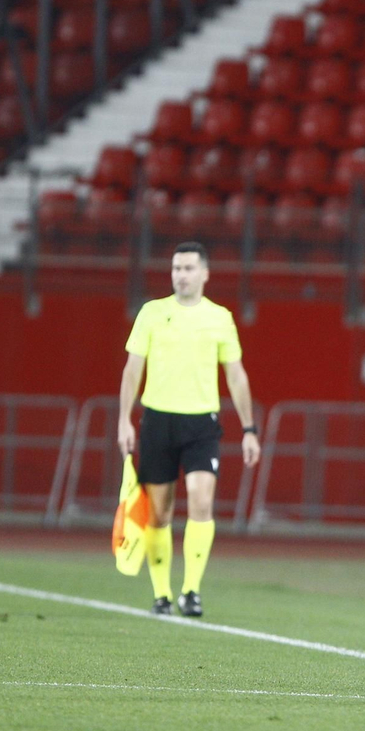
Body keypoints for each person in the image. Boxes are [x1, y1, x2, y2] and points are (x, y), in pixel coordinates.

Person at [117, 242, 260, 617]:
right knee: (159, 514)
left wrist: (250, 428)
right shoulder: (152, 312)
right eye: (176, 268)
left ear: (205, 273)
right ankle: (162, 594)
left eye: (188, 268)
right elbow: (133, 369)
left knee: (201, 501)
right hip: (157, 421)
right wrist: (123, 419)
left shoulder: (220, 318)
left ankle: (191, 591)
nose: (181, 274)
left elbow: (236, 375)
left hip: (201, 424)